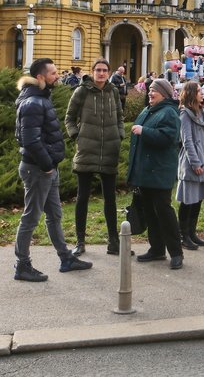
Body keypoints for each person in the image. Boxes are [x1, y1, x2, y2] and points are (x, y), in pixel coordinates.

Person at [13, 57, 92, 282]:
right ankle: (22, 265)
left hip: (46, 168)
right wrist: (47, 166)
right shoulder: (33, 103)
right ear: (40, 77)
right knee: (31, 217)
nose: (58, 76)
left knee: (54, 215)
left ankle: (66, 258)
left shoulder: (39, 98)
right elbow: (30, 140)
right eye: (53, 73)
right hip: (38, 169)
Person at [64, 58, 124, 258]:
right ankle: (80, 241)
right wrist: (76, 135)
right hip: (87, 150)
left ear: (108, 72)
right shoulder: (81, 91)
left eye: (104, 70)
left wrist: (120, 134)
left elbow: (120, 117)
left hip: (109, 150)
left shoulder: (113, 91)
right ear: (92, 72)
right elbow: (69, 117)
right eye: (98, 70)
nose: (101, 73)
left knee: (110, 199)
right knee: (82, 198)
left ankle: (113, 241)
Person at [127, 78, 184, 269]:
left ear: (164, 93)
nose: (150, 93)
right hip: (145, 172)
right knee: (150, 212)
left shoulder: (169, 112)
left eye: (154, 90)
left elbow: (169, 138)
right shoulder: (149, 110)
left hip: (159, 172)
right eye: (149, 89)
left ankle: (176, 253)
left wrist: (145, 131)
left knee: (164, 212)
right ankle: (157, 249)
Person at [177, 80, 204, 251]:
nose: (202, 93)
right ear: (192, 94)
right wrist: (195, 162)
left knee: (198, 199)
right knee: (188, 200)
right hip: (192, 161)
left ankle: (191, 233)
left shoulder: (201, 111)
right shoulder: (185, 114)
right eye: (199, 91)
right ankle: (182, 235)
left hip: (203, 159)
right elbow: (187, 141)